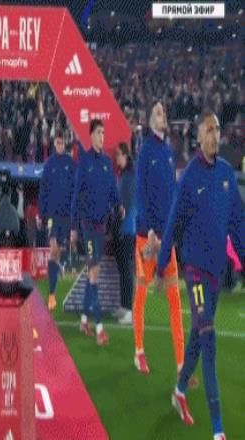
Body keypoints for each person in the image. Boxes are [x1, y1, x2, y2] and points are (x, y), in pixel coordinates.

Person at [158, 111, 243, 440]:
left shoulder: (226, 174)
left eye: (218, 129)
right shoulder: (190, 176)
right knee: (208, 337)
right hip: (193, 271)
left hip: (215, 272)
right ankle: (218, 429)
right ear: (198, 136)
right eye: (209, 129)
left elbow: (237, 225)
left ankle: (179, 391)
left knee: (197, 335)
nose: (215, 134)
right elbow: (173, 222)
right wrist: (162, 263)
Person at [133, 101, 185, 376]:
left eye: (163, 111)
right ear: (150, 120)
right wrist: (151, 229)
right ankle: (139, 352)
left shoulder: (167, 151)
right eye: (157, 112)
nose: (162, 115)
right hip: (147, 237)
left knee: (175, 299)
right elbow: (140, 193)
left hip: (166, 238)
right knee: (142, 294)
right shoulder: (145, 151)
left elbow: (173, 194)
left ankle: (181, 365)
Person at [70, 120, 123, 346]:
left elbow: (112, 191)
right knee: (94, 273)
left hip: (102, 226)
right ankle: (99, 327)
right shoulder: (84, 161)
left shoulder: (106, 163)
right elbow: (76, 195)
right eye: (99, 132)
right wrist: (74, 228)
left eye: (104, 132)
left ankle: (84, 320)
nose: (102, 136)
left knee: (93, 274)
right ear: (91, 136)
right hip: (87, 226)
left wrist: (119, 204)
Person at [37, 129, 76, 311]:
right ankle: (51, 295)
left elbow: (75, 189)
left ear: (65, 143)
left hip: (65, 215)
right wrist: (41, 213)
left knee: (57, 252)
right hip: (52, 215)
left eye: (62, 143)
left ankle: (53, 281)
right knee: (53, 249)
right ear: (54, 144)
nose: (60, 145)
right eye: (58, 143)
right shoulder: (49, 164)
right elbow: (43, 190)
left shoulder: (70, 163)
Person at [112, 142, 136, 325]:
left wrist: (117, 221)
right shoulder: (123, 175)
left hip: (127, 229)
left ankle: (129, 309)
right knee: (122, 269)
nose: (116, 158)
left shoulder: (129, 176)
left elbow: (125, 206)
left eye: (118, 155)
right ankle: (123, 305)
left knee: (126, 270)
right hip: (123, 228)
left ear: (126, 155)